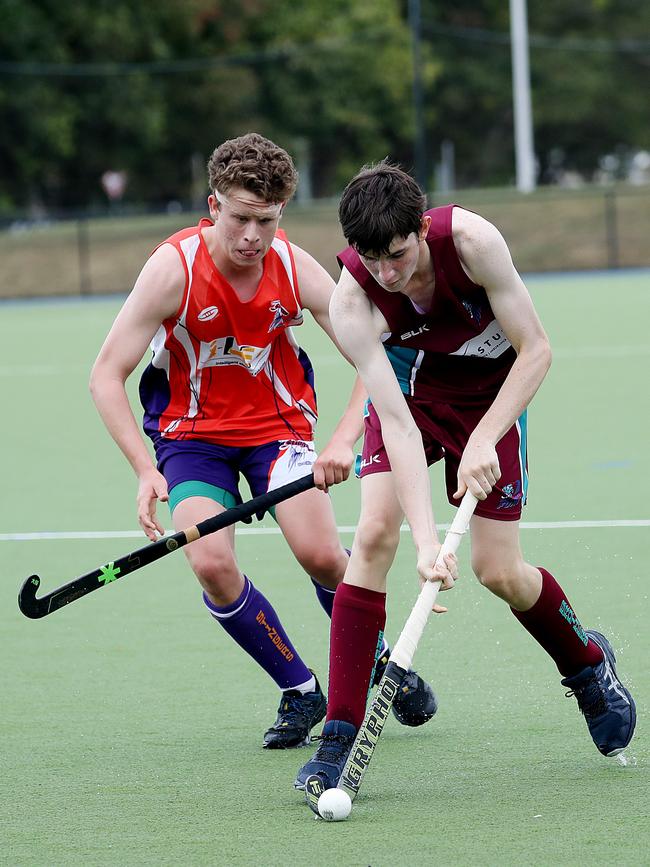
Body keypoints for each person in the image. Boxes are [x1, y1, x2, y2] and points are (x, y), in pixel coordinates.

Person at [296, 160, 636, 789]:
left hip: (493, 396)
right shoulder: (351, 303)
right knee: (373, 536)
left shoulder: (473, 242)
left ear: (421, 230)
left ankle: (588, 664)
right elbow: (394, 424)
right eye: (373, 262)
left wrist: (483, 437)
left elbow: (536, 349)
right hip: (413, 394)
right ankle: (339, 737)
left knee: (497, 571)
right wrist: (425, 541)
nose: (389, 274)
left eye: (398, 255)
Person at [90, 135, 435, 751]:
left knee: (326, 557)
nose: (253, 235)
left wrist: (343, 438)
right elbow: (106, 376)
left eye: (267, 221)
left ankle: (380, 664)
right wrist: (145, 471)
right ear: (213, 205)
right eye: (241, 218)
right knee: (212, 564)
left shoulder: (292, 266)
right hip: (191, 442)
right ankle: (301, 690)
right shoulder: (174, 269)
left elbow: (372, 351)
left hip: (278, 432)